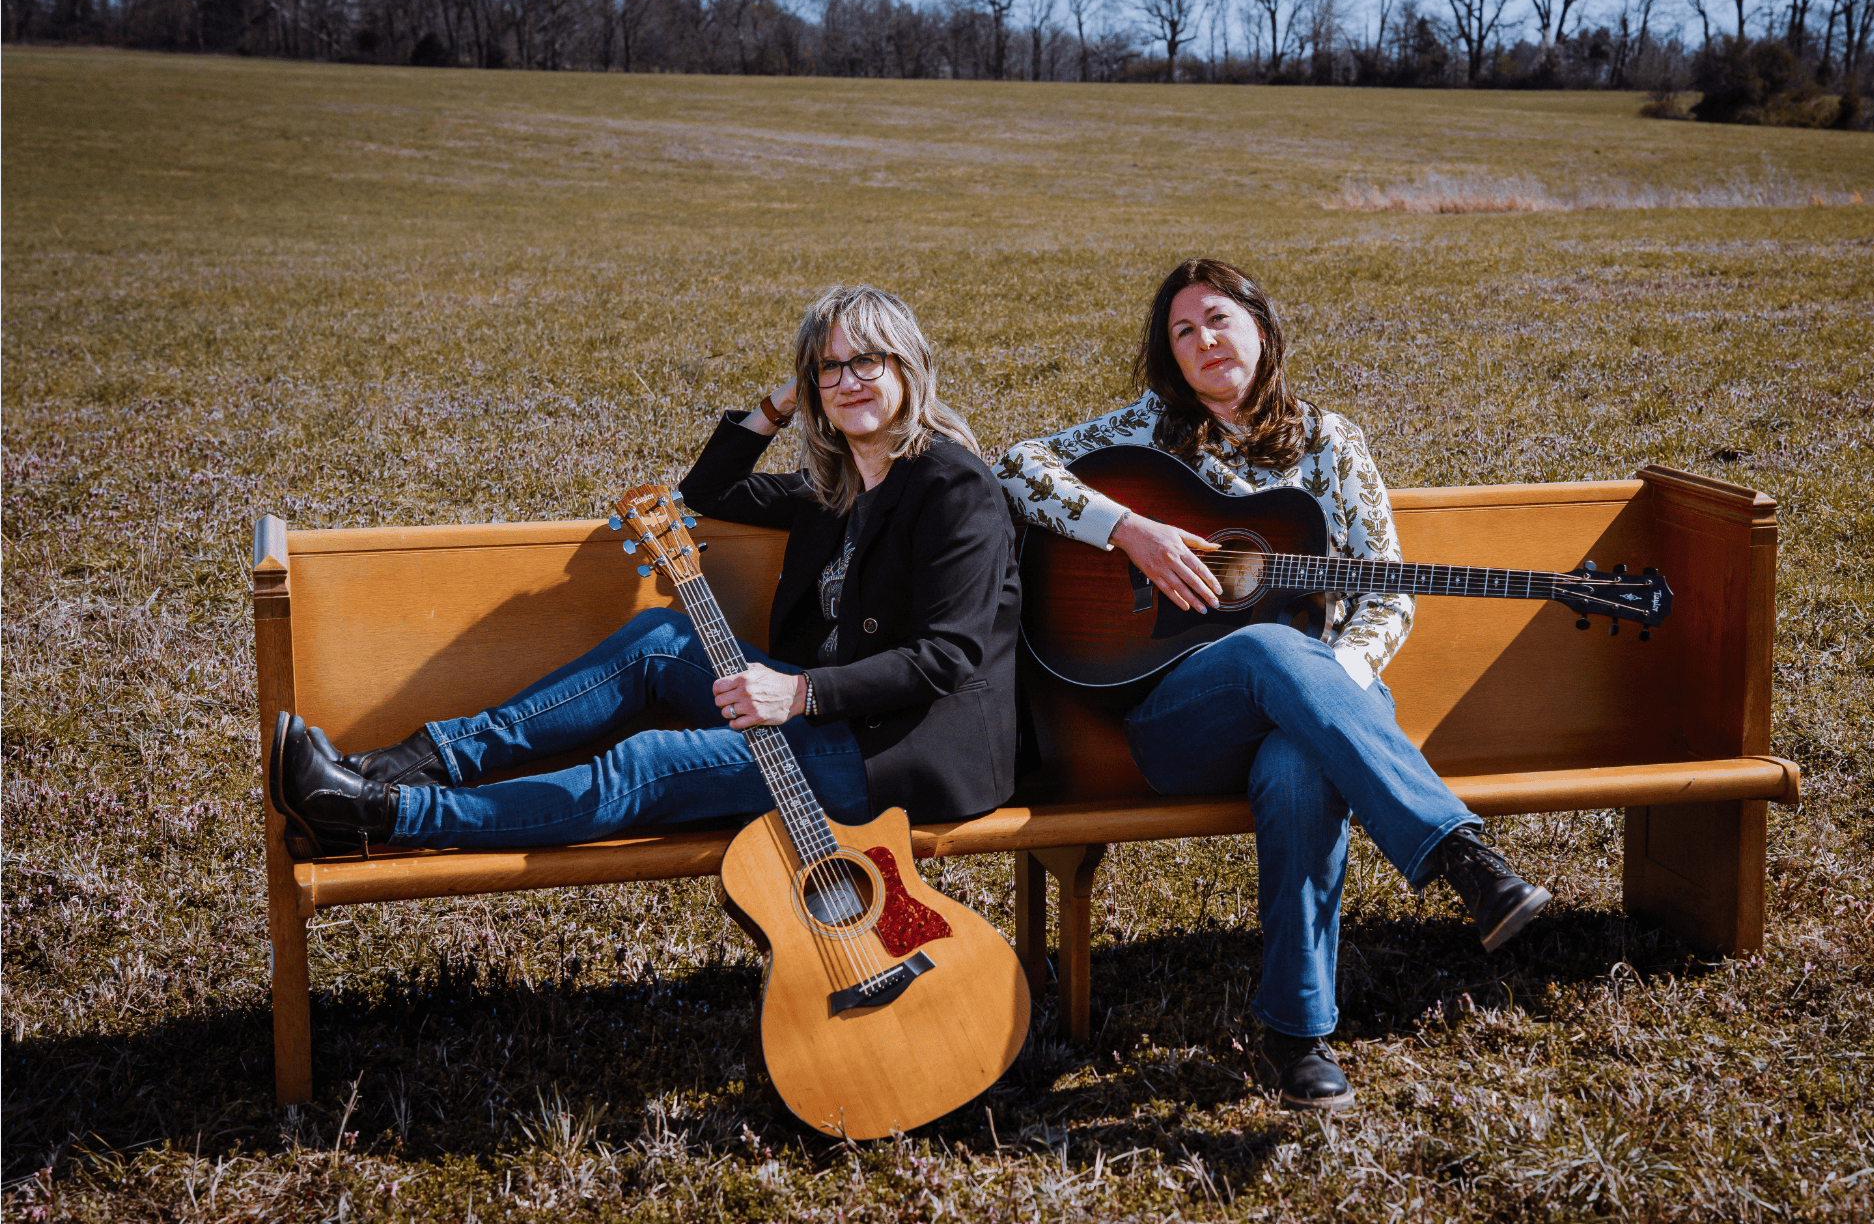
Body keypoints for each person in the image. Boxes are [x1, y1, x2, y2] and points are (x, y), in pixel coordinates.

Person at [995, 258, 1550, 1112]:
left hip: (1323, 715)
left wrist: (1329, 681)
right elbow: (1015, 465)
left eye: (1217, 318)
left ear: (1262, 327)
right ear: (1169, 358)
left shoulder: (1333, 442)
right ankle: (1462, 858)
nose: (1203, 340)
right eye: (1182, 332)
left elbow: (1387, 590)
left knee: (1300, 753)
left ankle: (1298, 1038)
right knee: (1264, 649)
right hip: (1182, 723)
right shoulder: (1150, 429)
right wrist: (1129, 529)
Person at [272, 284, 1020, 859]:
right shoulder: (836, 486)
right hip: (828, 719)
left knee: (647, 763)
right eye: (830, 366)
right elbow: (707, 493)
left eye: (868, 360)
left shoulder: (955, 486)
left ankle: (380, 817)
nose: (850, 380)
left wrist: (798, 691)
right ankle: (407, 763)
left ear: (908, 365)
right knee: (659, 638)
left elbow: (948, 655)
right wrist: (779, 402)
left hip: (897, 759)